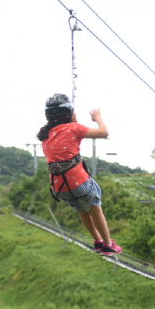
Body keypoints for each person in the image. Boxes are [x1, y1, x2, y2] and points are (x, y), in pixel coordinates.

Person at [37, 94, 121, 256]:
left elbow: (67, 138)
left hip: (59, 187)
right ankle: (108, 244)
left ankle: (97, 241)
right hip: (78, 182)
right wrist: (98, 118)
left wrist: (72, 121)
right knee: (95, 208)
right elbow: (103, 132)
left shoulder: (46, 135)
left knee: (82, 209)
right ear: (67, 113)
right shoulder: (73, 128)